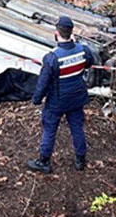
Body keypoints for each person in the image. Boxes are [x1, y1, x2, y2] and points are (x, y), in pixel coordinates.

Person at [26, 16, 96, 174]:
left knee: (50, 129)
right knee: (77, 127)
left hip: (57, 100)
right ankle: (80, 159)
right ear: (72, 32)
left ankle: (44, 161)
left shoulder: (52, 57)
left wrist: (36, 99)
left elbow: (43, 82)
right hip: (77, 97)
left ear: (57, 33)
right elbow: (90, 63)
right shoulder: (83, 50)